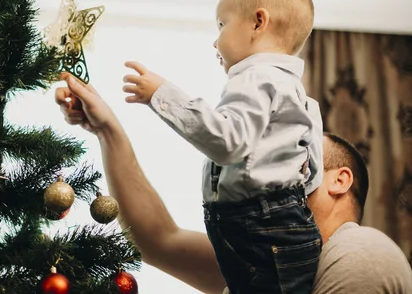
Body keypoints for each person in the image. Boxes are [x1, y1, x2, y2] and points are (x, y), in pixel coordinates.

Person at [55, 72, 412, 294]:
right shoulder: (262, 261)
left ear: (339, 180)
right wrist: (105, 128)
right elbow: (157, 240)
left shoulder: (361, 251)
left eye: (294, 159)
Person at [122, 0, 323, 293]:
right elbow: (312, 169)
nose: (216, 40)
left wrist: (161, 95)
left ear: (259, 22)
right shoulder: (297, 92)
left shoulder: (256, 77)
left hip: (259, 226)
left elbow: (229, 142)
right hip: (278, 224)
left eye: (222, 24)